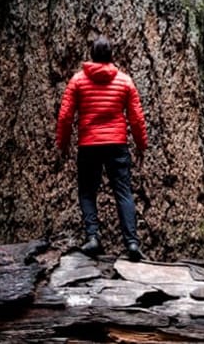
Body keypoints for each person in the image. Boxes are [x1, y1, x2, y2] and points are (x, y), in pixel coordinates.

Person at [56, 35, 148, 261]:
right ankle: (132, 243)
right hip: (117, 145)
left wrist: (63, 144)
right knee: (124, 192)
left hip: (89, 145)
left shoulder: (77, 81)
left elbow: (65, 117)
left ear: (92, 55)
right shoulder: (125, 81)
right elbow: (136, 118)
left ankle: (93, 237)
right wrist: (141, 144)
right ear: (111, 55)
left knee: (87, 192)